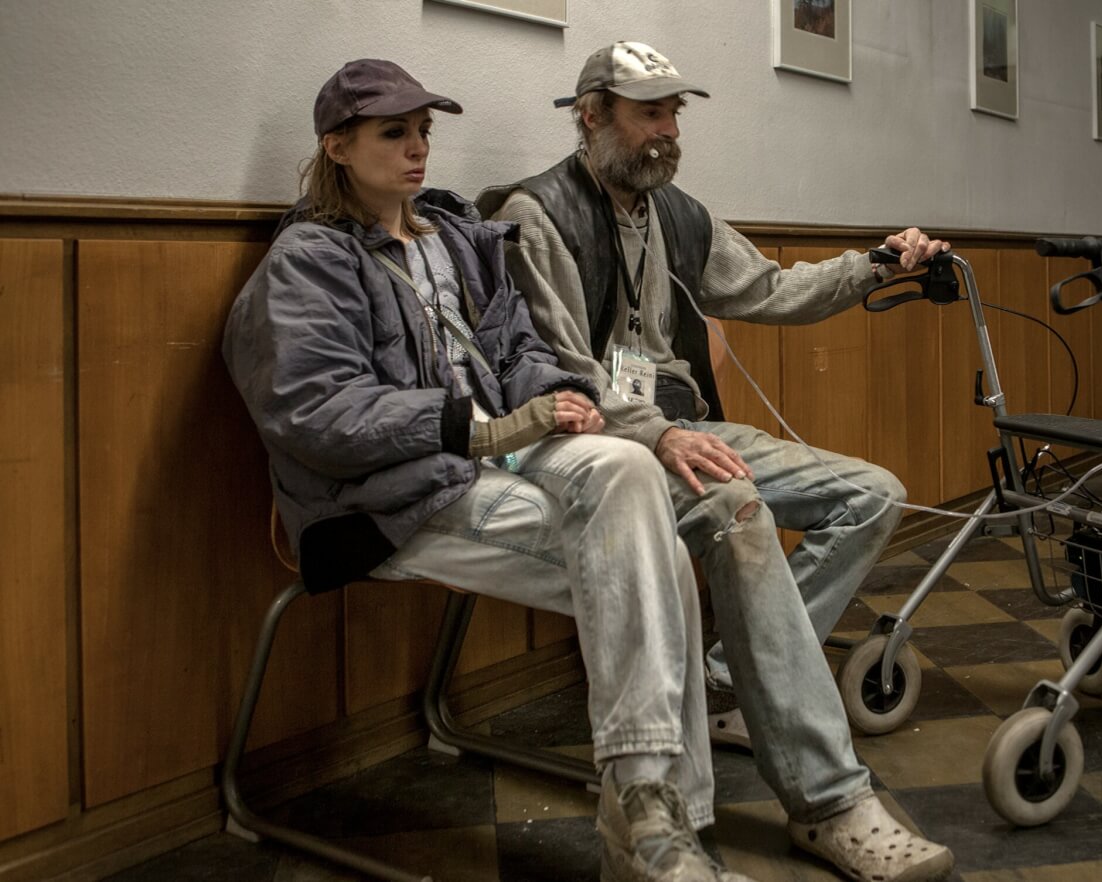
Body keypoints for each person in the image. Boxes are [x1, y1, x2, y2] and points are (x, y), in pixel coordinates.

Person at [222, 59, 754, 882]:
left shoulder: (456, 236)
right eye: (394, 132)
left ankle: (651, 823)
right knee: (656, 557)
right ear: (335, 146)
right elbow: (314, 412)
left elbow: (517, 350)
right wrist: (477, 428)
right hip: (395, 496)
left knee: (627, 471)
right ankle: (654, 823)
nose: (418, 149)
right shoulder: (309, 260)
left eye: (425, 131)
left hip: (506, 452)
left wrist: (558, 396)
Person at [478, 42, 954, 882]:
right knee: (740, 514)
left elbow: (771, 289)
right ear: (591, 114)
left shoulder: (681, 216)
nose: (667, 133)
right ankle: (829, 798)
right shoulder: (536, 214)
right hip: (604, 442)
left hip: (689, 429)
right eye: (647, 113)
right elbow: (554, 364)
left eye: (674, 114)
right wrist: (654, 432)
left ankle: (737, 681)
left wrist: (877, 263)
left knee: (873, 494)